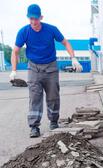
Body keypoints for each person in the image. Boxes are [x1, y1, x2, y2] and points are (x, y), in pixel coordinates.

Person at [9, 4, 83, 138]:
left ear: (41, 17)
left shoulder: (51, 29)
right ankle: (34, 127)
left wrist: (73, 58)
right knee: (35, 97)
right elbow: (15, 51)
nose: (33, 22)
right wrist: (13, 70)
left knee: (53, 96)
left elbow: (65, 42)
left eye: (35, 19)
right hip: (34, 68)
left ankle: (53, 121)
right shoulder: (24, 31)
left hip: (51, 67)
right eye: (30, 19)